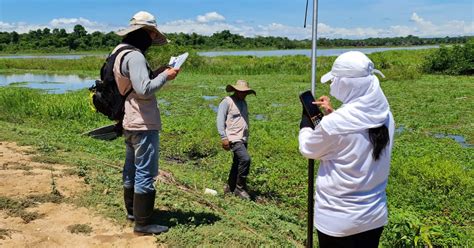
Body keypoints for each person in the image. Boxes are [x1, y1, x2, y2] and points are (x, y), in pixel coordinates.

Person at [298, 51, 394, 248]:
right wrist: (333, 113)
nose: (332, 85)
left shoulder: (335, 125)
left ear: (346, 83)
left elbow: (308, 148)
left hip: (339, 220)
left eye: (334, 80)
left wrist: (305, 125)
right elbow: (357, 135)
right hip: (374, 216)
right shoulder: (385, 115)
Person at [113, 11, 179, 234]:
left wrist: (157, 73)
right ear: (144, 33)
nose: (152, 39)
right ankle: (143, 224)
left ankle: (133, 213)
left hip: (129, 120)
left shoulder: (120, 52)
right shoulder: (136, 56)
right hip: (142, 121)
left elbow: (134, 83)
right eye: (151, 34)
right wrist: (166, 77)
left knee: (131, 168)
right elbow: (143, 90)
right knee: (145, 171)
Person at [216, 80, 256, 200]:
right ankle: (240, 188)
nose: (244, 94)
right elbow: (219, 120)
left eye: (245, 92)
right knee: (245, 159)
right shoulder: (227, 102)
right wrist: (224, 137)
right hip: (233, 138)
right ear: (235, 90)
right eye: (241, 92)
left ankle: (230, 187)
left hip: (243, 137)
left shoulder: (243, 102)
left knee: (237, 163)